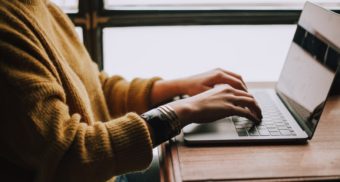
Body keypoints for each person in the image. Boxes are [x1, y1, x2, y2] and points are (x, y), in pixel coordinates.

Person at [0, 0, 262, 182]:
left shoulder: (40, 7)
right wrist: (180, 112)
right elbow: (70, 156)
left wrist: (178, 87)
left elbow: (93, 88)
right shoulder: (7, 27)